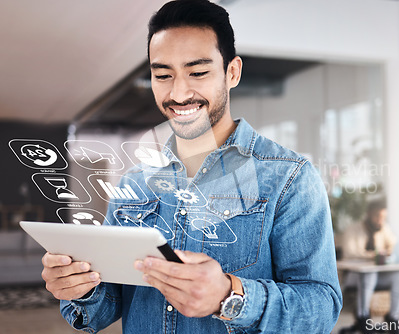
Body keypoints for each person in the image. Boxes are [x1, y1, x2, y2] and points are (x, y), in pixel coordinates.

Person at [40, 0, 342, 333]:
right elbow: (105, 308)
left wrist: (230, 296)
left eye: (197, 72)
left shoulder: (290, 177)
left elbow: (322, 308)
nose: (178, 92)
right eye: (163, 75)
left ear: (232, 72)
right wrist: (81, 287)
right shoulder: (134, 183)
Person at [342, 198, 399, 334]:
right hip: (353, 275)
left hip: (377, 276)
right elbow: (350, 252)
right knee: (368, 273)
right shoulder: (353, 229)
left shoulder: (384, 228)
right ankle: (362, 317)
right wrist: (373, 254)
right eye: (377, 216)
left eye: (383, 217)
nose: (380, 220)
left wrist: (390, 251)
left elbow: (394, 245)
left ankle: (393, 317)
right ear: (369, 214)